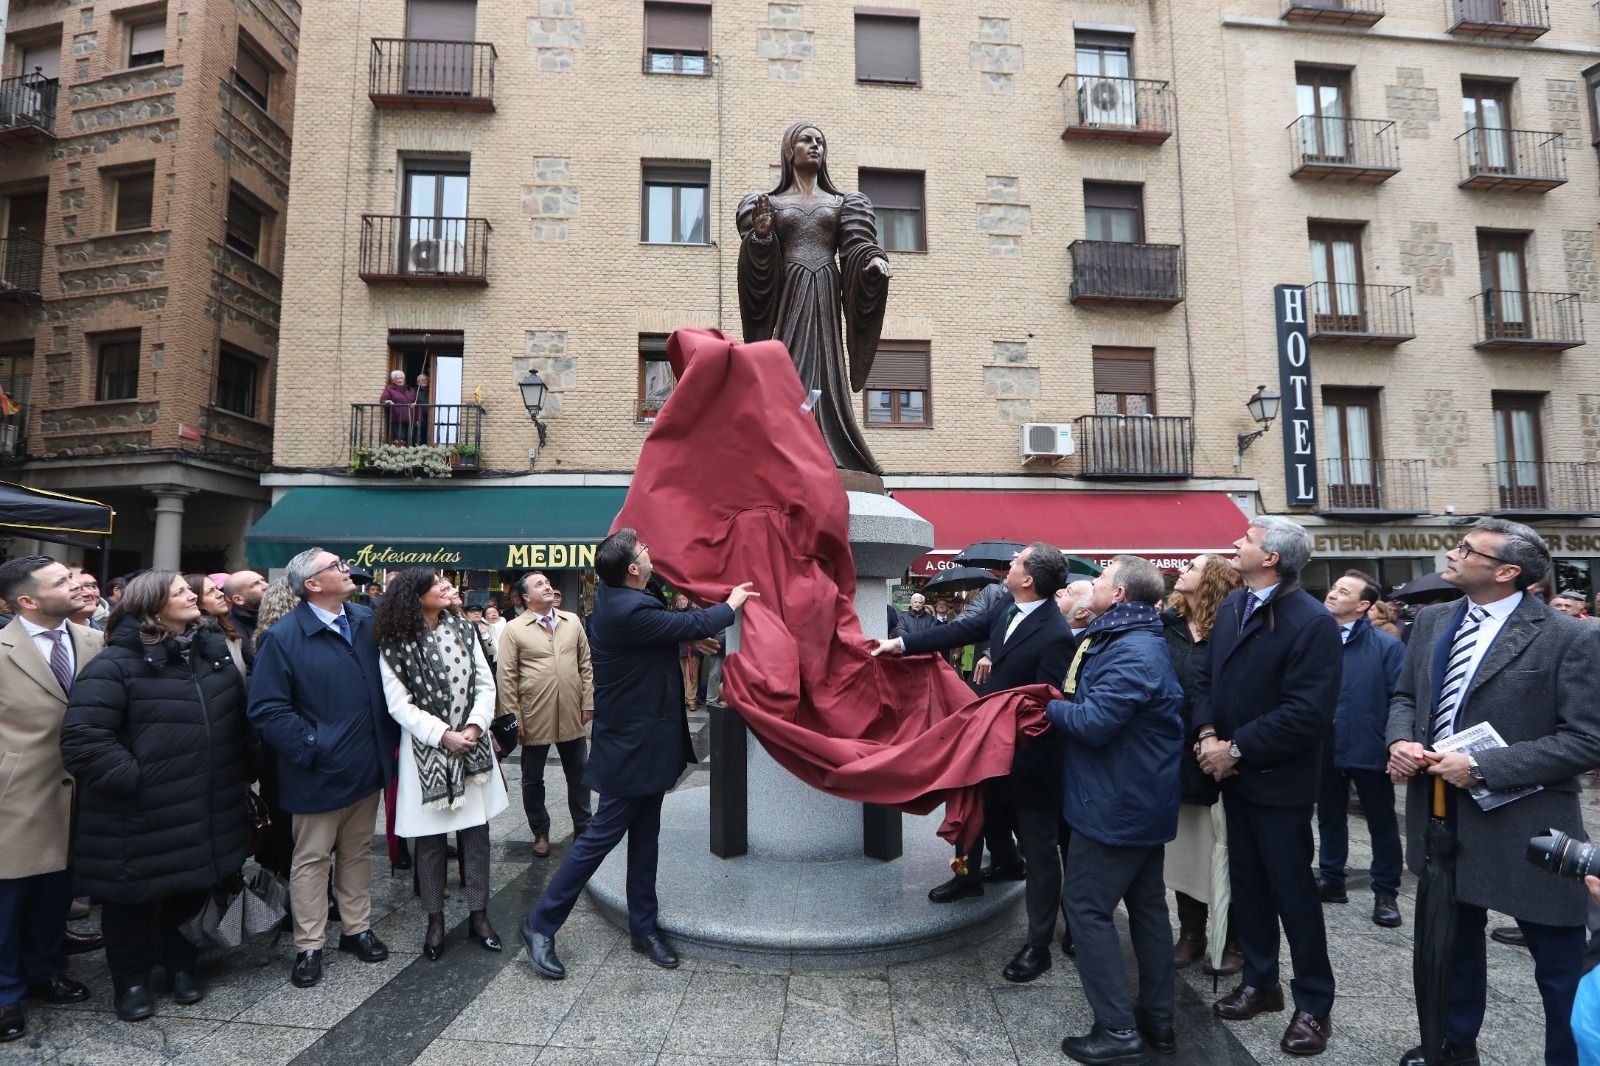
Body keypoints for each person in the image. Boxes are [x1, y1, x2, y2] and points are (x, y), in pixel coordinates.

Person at [1386, 518, 1600, 1066]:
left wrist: (1483, 767)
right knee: (1453, 948)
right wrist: (1402, 740)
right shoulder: (1433, 620)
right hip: (1442, 817)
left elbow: (1586, 740)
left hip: (1527, 826)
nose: (1451, 553)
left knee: (1558, 966)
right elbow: (1406, 695)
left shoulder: (1569, 636)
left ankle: (1571, 1057)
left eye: (1466, 549)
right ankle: (1455, 1046)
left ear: (1507, 572)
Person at [522, 528, 757, 979]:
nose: (650, 553)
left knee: (646, 836)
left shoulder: (624, 599)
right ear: (633, 568)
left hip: (647, 740)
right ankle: (541, 923)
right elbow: (691, 622)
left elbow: (663, 633)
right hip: (630, 746)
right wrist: (730, 604)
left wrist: (682, 640)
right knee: (598, 839)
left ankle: (642, 927)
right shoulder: (627, 608)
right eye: (644, 551)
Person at [874, 542, 1074, 984]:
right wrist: (902, 643)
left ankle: (1038, 945)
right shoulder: (1004, 607)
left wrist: (1003, 735)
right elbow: (957, 632)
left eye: (1017, 562)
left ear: (1029, 579)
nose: (1009, 565)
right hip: (988, 748)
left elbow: (1044, 702)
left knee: (1040, 852)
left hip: (1028, 760)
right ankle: (967, 877)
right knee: (971, 821)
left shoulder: (1056, 633)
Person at [61, 571, 250, 1022]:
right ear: (152, 605)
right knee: (132, 898)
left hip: (204, 801)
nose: (194, 595)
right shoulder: (115, 663)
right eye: (181, 591)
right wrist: (137, 780)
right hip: (138, 809)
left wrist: (245, 768)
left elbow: (236, 723)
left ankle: (183, 966)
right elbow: (84, 739)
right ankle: (131, 981)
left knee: (190, 887)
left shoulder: (212, 652)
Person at [1193, 515, 1341, 1056]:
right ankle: (1261, 983)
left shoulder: (1311, 622)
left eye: (1248, 540)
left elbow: (1306, 713)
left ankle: (1313, 1005)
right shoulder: (1234, 605)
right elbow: (1204, 677)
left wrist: (1234, 749)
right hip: (1230, 776)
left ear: (1272, 557)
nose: (1235, 543)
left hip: (1279, 782)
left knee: (1292, 892)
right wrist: (1209, 733)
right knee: (1247, 886)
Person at [1048, 556, 1184, 1065]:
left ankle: (1118, 1030)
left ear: (1120, 595)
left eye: (1102, 581)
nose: (1092, 587)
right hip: (1134, 799)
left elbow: (1094, 722)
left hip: (1116, 804)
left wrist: (1049, 705)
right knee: (1147, 908)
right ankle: (1159, 1019)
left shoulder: (1132, 650)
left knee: (1085, 908)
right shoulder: (1125, 638)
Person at [246, 547, 398, 989]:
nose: (346, 569)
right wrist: (314, 743)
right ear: (311, 584)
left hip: (366, 767)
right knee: (312, 859)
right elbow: (267, 708)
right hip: (317, 770)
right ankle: (308, 944)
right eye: (335, 566)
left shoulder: (366, 621)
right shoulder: (285, 636)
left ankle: (356, 929)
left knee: (356, 853)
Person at [736, 122, 892, 475]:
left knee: (825, 370)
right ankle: (782, 445)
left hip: (823, 290)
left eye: (820, 141)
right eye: (806, 140)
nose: (815, 145)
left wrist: (873, 261)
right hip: (789, 296)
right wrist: (761, 239)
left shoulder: (842, 203)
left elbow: (855, 247)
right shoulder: (769, 203)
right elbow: (757, 264)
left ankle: (834, 449)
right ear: (789, 150)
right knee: (786, 369)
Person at [375, 570, 506, 961]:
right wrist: (442, 735)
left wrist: (473, 725)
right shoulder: (395, 643)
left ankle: (479, 915)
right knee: (429, 842)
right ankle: (434, 919)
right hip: (425, 754)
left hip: (471, 746)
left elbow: (486, 684)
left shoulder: (466, 632)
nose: (448, 588)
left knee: (476, 837)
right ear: (417, 597)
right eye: (438, 585)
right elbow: (398, 704)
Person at [0, 557, 101, 1043]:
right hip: (15, 796)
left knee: (54, 895)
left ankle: (45, 971)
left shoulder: (92, 640)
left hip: (78, 791)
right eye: (62, 581)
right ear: (27, 600)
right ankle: (5, 993)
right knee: (7, 900)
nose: (77, 584)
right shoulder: (1, 647)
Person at [1161, 553, 1244, 973]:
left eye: (1191, 567)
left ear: (1211, 581)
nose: (1181, 571)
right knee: (1185, 851)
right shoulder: (1167, 626)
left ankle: (1232, 938)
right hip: (1175, 756)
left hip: (1220, 757)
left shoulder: (1232, 631)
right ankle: (1191, 934)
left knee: (1225, 851)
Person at [1316, 570, 1406, 929]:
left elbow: (1401, 697)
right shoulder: (1316, 640)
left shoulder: (1387, 647)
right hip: (1323, 745)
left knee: (1382, 822)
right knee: (1328, 816)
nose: (1333, 594)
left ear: (1363, 605)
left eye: (1343, 591)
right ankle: (1331, 880)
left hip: (1369, 745)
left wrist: (1394, 744)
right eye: (1334, 587)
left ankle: (1386, 892)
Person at [498, 571, 594, 860]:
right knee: (532, 779)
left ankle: (583, 828)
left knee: (579, 775)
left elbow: (585, 664)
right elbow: (506, 677)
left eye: (548, 583)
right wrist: (513, 719)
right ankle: (540, 831)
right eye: (539, 584)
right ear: (526, 597)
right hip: (533, 714)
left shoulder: (572, 621)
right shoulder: (514, 629)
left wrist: (587, 700)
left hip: (570, 711)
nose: (548, 587)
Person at [186, 573, 247, 676]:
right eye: (210, 591)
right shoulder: (196, 639)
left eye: (216, 588)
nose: (220, 594)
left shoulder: (228, 629)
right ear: (194, 600)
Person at [223, 570, 267, 658]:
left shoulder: (277, 616)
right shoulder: (231, 631)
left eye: (263, 580)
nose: (266, 586)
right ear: (238, 600)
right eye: (255, 584)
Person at [673, 592, 702, 710]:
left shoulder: (694, 612)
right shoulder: (675, 615)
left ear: (688, 600)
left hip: (692, 649)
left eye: (683, 599)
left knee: (692, 675)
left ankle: (691, 700)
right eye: (679, 600)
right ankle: (686, 698)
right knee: (685, 675)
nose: (681, 601)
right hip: (680, 649)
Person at [380, 369, 417, 444]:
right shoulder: (389, 388)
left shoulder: (410, 389)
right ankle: (399, 455)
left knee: (410, 438)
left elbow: (416, 403)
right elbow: (383, 400)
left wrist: (417, 418)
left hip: (410, 418)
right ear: (393, 380)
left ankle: (409, 455)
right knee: (400, 438)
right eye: (397, 378)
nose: (400, 380)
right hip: (397, 418)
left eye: (401, 378)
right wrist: (387, 402)